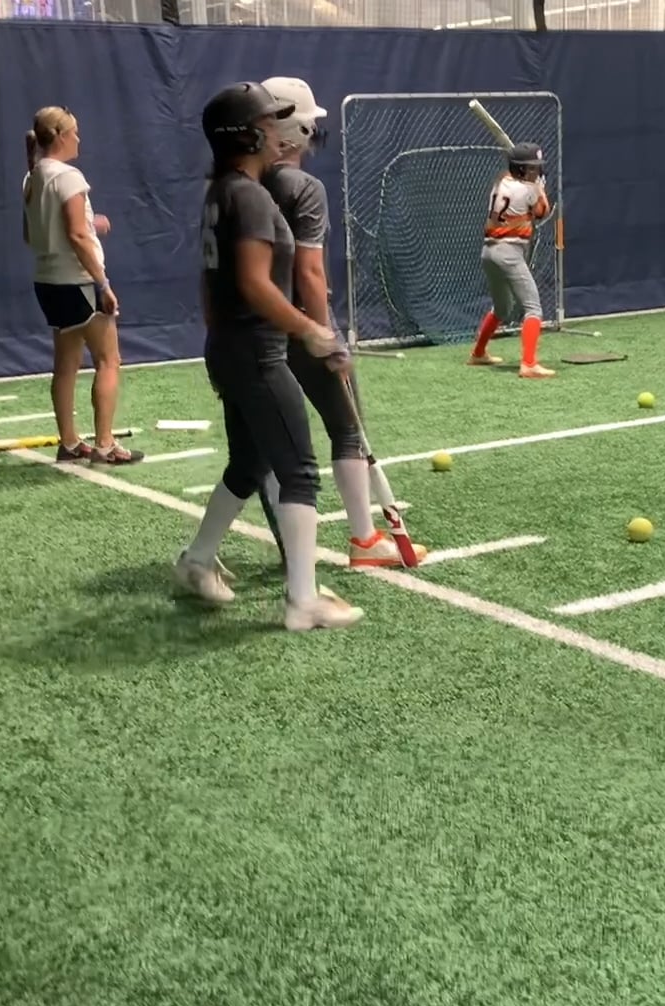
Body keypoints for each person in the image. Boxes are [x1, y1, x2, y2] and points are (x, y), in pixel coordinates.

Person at [173, 82, 364, 632]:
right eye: (267, 122)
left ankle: (196, 561)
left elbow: (214, 288)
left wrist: (223, 343)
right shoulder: (251, 197)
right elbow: (256, 285)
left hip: (231, 347)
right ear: (248, 135)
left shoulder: (222, 192)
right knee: (299, 470)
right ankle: (303, 601)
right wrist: (312, 331)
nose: (278, 130)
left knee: (248, 463)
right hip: (257, 352)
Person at [252, 74, 430, 570]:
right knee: (347, 429)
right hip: (302, 326)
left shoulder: (241, 184)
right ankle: (364, 539)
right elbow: (309, 271)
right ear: (296, 129)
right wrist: (325, 334)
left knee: (263, 445)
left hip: (254, 331)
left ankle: (291, 548)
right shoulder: (303, 187)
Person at [22, 106, 143, 466]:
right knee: (109, 360)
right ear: (60, 137)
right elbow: (76, 235)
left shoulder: (32, 178)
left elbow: (33, 234)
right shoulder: (69, 177)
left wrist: (91, 225)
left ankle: (70, 443)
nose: (79, 138)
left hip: (48, 282)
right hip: (78, 282)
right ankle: (105, 445)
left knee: (65, 365)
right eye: (74, 132)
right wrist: (103, 284)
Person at [467, 141, 555, 379]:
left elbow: (519, 186)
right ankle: (529, 364)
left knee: (502, 308)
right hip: (509, 253)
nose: (537, 171)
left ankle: (478, 353)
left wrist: (533, 182)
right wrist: (540, 189)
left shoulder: (501, 182)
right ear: (521, 168)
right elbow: (542, 212)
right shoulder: (528, 190)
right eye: (532, 167)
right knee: (533, 308)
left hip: (489, 253)